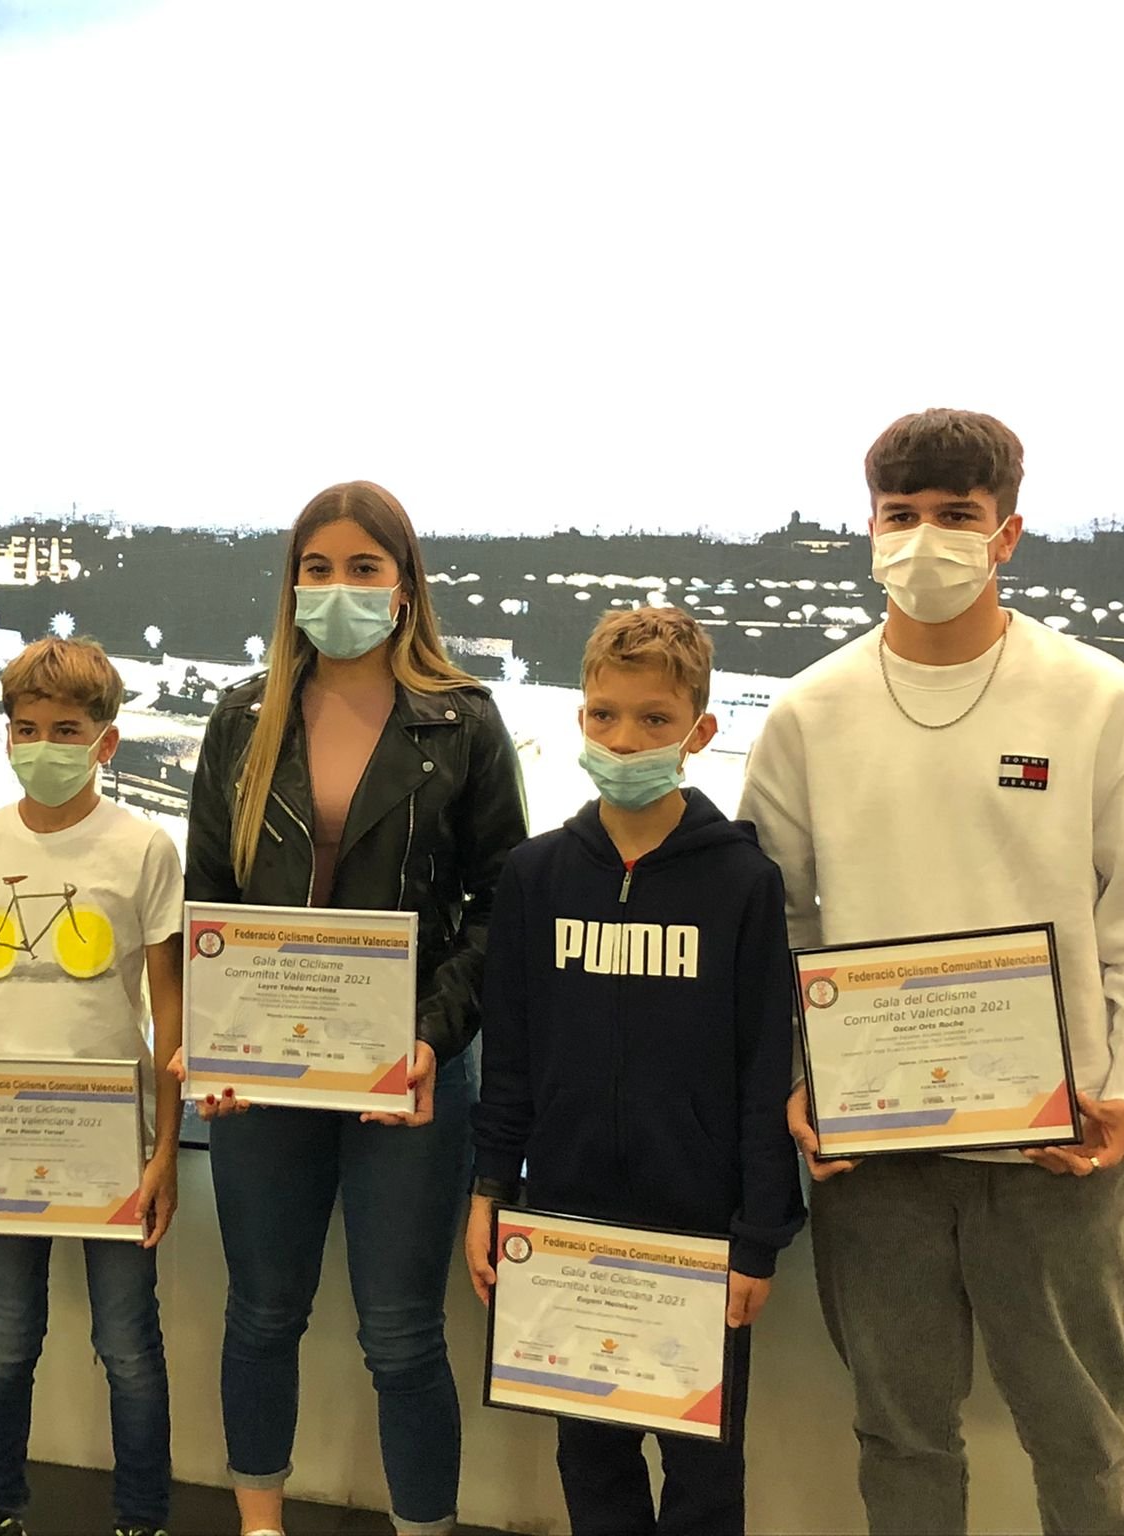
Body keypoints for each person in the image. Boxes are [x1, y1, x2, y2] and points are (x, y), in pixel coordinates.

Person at [738, 408, 1124, 1535]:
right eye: (900, 514)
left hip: (1054, 1153)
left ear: (1006, 532)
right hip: (876, 1157)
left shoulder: (1097, 700)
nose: (925, 540)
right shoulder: (807, 715)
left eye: (956, 515)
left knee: (1082, 1441)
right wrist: (800, 1074)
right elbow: (772, 926)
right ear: (868, 529)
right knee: (901, 1437)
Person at [175, 481, 527, 1536]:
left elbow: (500, 907)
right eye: (316, 569)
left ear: (404, 585)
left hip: (409, 1072)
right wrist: (212, 1039)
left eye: (363, 568)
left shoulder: (463, 720)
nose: (338, 588)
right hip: (264, 1077)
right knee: (260, 1314)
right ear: (291, 585)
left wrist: (430, 1038)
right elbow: (209, 897)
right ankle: (258, 1526)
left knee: (401, 1336)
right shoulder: (241, 717)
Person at [467, 606, 804, 1535]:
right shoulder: (536, 876)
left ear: (701, 730)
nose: (624, 740)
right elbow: (512, 1060)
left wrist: (759, 1236)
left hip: (698, 1234)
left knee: (705, 1478)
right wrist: (490, 1189)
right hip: (566, 1222)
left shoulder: (743, 883)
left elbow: (764, 1069)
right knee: (591, 1466)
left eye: (655, 719)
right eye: (605, 715)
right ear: (580, 718)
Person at [0, 636, 183, 1536]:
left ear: (106, 740)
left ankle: (142, 1516)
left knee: (128, 1343)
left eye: (66, 729)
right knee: (4, 1336)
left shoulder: (144, 849)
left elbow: (170, 1009)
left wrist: (166, 1150)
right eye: (26, 728)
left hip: (113, 1146)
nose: (43, 746)